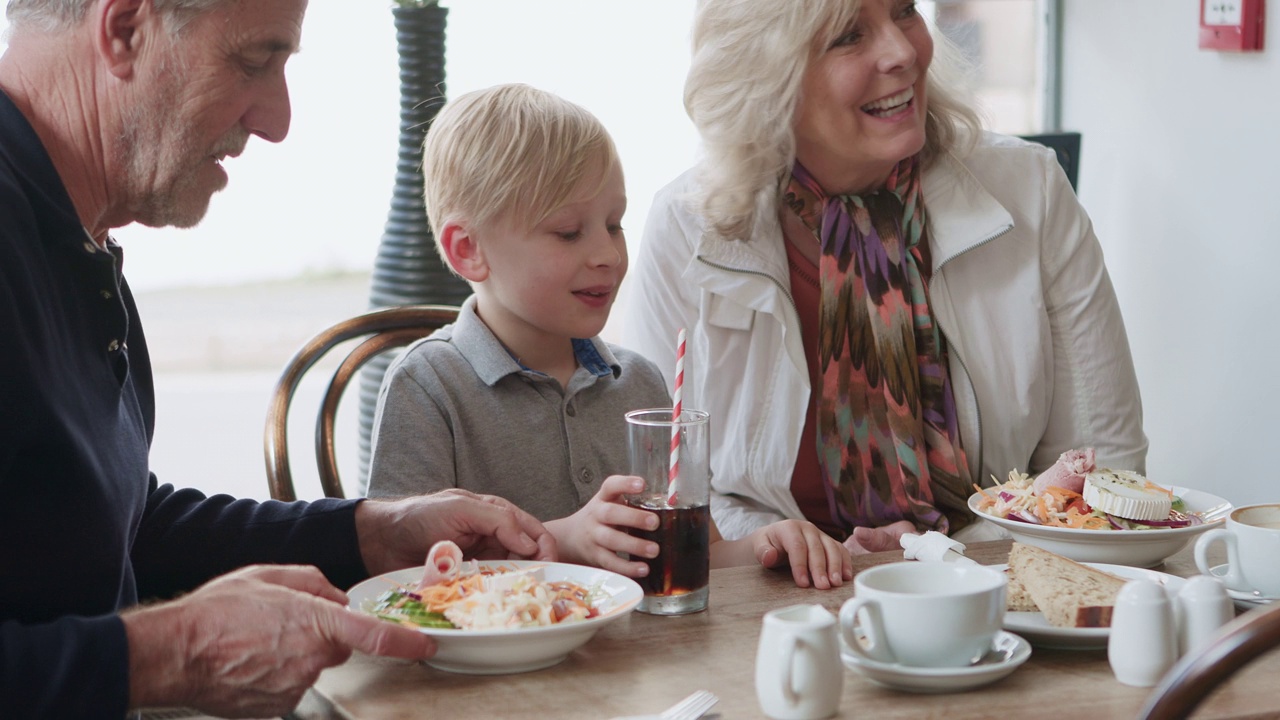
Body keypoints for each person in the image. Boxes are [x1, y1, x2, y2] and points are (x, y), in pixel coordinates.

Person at [0, 1, 557, 717]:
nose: (278, 119)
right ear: (124, 31)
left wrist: (372, 533)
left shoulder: (75, 236)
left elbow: (111, 529)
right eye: (255, 60)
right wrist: (176, 653)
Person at [623, 0, 1147, 555]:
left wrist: (936, 557)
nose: (902, 51)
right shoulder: (688, 227)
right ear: (768, 76)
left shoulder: (1031, 190)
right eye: (849, 36)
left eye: (903, 10)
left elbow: (1103, 469)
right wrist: (774, 548)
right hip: (776, 603)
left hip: (995, 585)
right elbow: (668, 487)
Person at [366, 83, 852, 590]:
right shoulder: (427, 387)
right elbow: (401, 580)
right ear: (468, 249)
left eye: (615, 224)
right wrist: (566, 542)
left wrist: (767, 543)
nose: (608, 255)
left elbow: (699, 553)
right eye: (569, 232)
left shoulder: (640, 385)